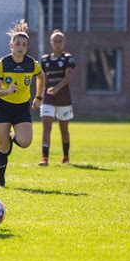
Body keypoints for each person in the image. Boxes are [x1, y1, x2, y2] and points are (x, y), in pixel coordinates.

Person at [0, 19, 45, 188]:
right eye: (18, 43)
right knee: (3, 146)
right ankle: (1, 181)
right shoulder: (3, 63)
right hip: (2, 106)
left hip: (22, 108)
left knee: (25, 142)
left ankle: (12, 135)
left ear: (27, 47)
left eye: (24, 44)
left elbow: (41, 77)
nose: (20, 47)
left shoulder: (32, 64)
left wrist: (38, 97)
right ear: (11, 45)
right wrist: (7, 90)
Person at [38, 30, 76, 166]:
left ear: (64, 42)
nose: (58, 44)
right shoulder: (44, 60)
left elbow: (68, 77)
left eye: (60, 41)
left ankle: (66, 156)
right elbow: (40, 78)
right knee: (46, 127)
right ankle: (44, 158)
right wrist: (39, 95)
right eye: (55, 41)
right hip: (48, 98)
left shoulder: (68, 58)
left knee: (63, 128)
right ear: (51, 43)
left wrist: (56, 88)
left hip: (63, 98)